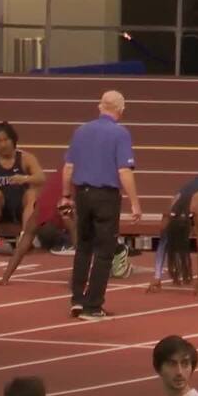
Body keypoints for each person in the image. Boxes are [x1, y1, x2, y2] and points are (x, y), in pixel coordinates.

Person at [63, 90, 141, 321]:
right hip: (106, 196)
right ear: (121, 110)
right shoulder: (120, 133)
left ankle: (77, 299)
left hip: (82, 194)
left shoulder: (81, 131)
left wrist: (66, 195)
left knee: (83, 248)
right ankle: (93, 305)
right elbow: (124, 171)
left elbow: (68, 168)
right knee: (104, 252)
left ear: (100, 107)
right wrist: (135, 203)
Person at [0, 122, 45, 251]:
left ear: (13, 140)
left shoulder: (26, 158)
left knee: (31, 194)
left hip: (23, 208)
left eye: (6, 140)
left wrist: (24, 178)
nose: (3, 144)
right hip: (2, 209)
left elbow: (41, 178)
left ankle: (25, 237)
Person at [0, 171, 79, 285]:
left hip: (71, 182)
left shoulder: (39, 214)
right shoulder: (42, 213)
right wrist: (5, 278)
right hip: (71, 181)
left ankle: (80, 277)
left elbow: (21, 248)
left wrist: (5, 278)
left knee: (77, 233)